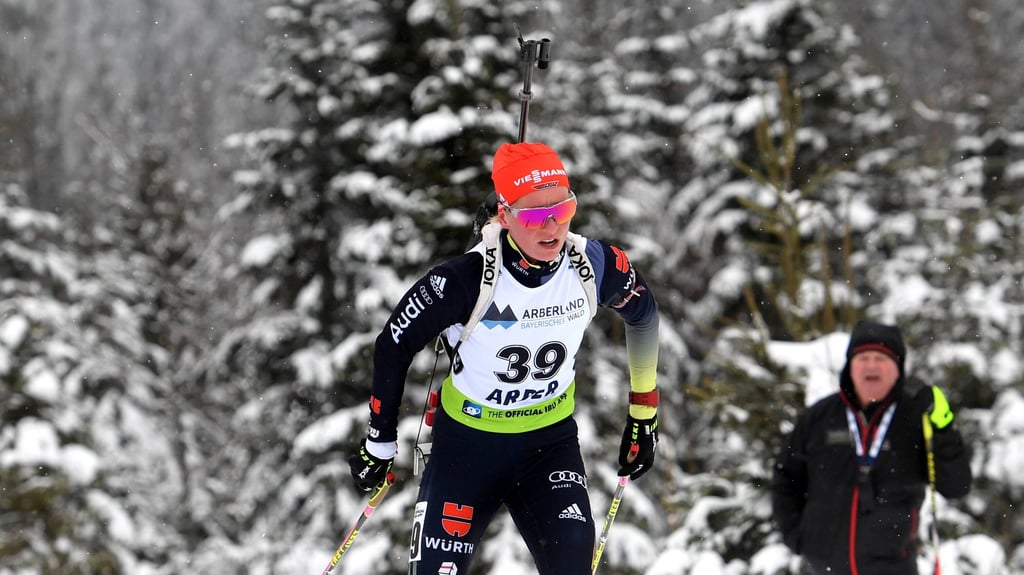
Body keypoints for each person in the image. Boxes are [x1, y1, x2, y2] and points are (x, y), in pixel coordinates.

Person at [348, 141, 661, 575]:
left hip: (548, 446)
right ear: (504, 213)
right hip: (466, 449)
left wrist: (644, 413)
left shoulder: (593, 265)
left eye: (564, 209)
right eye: (534, 214)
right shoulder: (465, 279)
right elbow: (394, 343)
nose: (552, 226)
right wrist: (379, 440)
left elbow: (643, 314)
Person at [771, 320, 972, 575]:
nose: (872, 365)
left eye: (881, 358)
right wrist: (795, 535)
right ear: (850, 367)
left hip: (895, 568)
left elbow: (956, 486)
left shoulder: (914, 418)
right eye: (863, 357)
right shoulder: (819, 418)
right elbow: (785, 476)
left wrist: (943, 427)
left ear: (898, 369)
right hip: (823, 568)